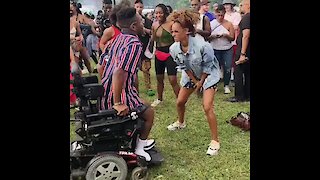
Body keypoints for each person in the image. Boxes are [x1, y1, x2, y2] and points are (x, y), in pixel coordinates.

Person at [101, 5, 155, 161]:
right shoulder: (133, 43)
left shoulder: (116, 39)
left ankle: (138, 140)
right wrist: (117, 102)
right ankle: (139, 148)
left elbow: (100, 65)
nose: (143, 24)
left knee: (142, 104)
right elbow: (119, 72)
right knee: (149, 113)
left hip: (106, 89)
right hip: (118, 93)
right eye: (141, 22)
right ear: (133, 26)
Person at [167, 9, 221, 155]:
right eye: (172, 32)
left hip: (208, 75)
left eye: (176, 32)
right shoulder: (173, 49)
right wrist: (194, 81)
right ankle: (181, 122)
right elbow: (184, 66)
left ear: (186, 31)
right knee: (179, 102)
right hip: (191, 75)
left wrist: (201, 83)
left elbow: (208, 67)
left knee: (207, 106)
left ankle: (215, 141)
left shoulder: (203, 46)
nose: (173, 35)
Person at [149, 4, 180, 107]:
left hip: (170, 52)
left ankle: (180, 99)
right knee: (159, 78)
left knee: (173, 79)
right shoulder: (154, 25)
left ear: (165, 13)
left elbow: (176, 37)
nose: (158, 15)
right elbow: (153, 39)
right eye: (156, 13)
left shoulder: (171, 24)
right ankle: (159, 98)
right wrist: (148, 51)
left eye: (160, 13)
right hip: (158, 53)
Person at [208, 4, 235, 94]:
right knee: (215, 67)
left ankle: (226, 85)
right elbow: (207, 37)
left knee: (227, 67)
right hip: (215, 48)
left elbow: (232, 37)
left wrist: (226, 35)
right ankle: (214, 84)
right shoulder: (211, 24)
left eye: (222, 15)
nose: (220, 17)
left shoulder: (229, 24)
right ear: (215, 14)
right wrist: (213, 36)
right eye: (218, 15)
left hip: (227, 48)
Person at [228, 0, 250, 102]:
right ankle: (247, 95)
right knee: (248, 73)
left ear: (248, 6)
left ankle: (239, 96)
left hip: (243, 49)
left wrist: (242, 53)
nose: (240, 7)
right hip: (248, 50)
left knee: (238, 72)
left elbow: (246, 35)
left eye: (241, 5)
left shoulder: (246, 17)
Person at [134, 0, 155, 96]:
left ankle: (149, 87)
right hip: (134, 48)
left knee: (146, 69)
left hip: (145, 48)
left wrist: (145, 30)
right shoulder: (131, 21)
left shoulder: (148, 21)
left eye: (140, 7)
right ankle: (134, 89)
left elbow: (152, 32)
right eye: (137, 7)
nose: (139, 9)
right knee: (133, 70)